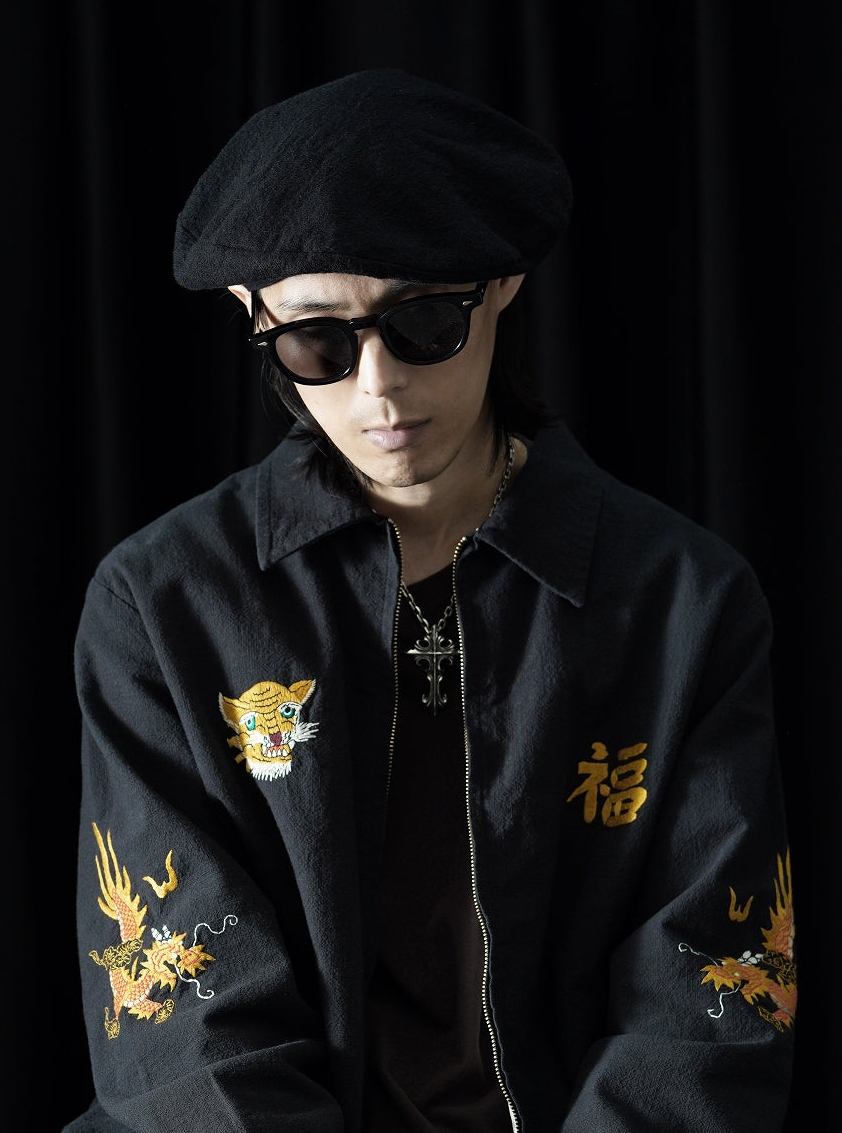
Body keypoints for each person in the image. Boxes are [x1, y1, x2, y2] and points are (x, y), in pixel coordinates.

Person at [63, 68, 796, 1133]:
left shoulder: (685, 601)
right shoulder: (162, 603)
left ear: (500, 287)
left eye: (424, 323)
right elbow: (182, 1027)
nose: (378, 388)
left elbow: (709, 998)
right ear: (251, 314)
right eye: (317, 342)